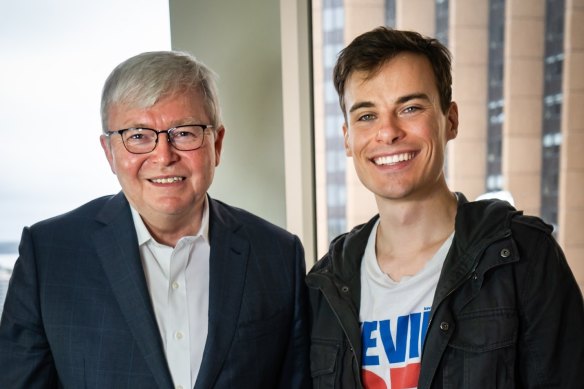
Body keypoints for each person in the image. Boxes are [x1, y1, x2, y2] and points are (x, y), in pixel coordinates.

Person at [0, 51, 310, 388]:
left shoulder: (278, 254)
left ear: (216, 144)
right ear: (109, 153)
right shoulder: (49, 256)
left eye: (185, 133)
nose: (163, 156)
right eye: (138, 136)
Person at [306, 27, 584, 388]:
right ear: (347, 137)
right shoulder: (325, 283)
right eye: (367, 116)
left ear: (450, 120)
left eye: (410, 108)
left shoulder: (523, 255)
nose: (387, 132)